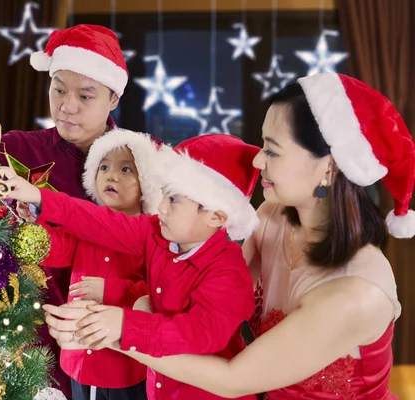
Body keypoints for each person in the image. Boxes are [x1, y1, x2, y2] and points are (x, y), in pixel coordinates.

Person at [47, 73, 414, 399]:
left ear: (328, 168)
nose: (257, 161)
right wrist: (129, 305)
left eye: (272, 150)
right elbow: (200, 297)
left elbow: (233, 379)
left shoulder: (356, 293)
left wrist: (112, 332)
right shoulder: (273, 217)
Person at [0, 134, 261, 400]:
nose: (161, 206)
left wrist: (123, 324)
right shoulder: (156, 233)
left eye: (174, 200)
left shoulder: (228, 272)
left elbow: (201, 333)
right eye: (165, 195)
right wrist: (38, 197)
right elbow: (94, 221)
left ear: (216, 216)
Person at [0, 24, 130, 398]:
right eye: (58, 88)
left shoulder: (139, 162)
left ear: (113, 99)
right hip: (22, 342)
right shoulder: (14, 150)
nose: (67, 106)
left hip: (112, 346)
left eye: (85, 95)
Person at [28, 129, 161, 400]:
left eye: (126, 169)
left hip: (122, 365)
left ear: (147, 182)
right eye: (104, 167)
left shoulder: (151, 234)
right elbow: (59, 249)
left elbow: (156, 295)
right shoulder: (88, 225)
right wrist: (34, 228)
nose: (111, 176)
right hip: (78, 356)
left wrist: (110, 291)